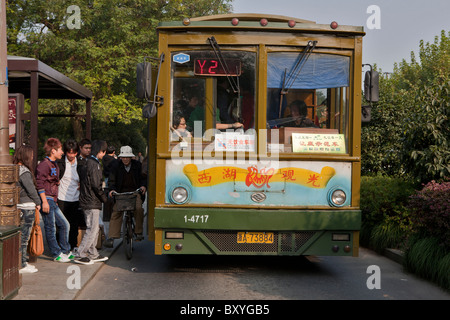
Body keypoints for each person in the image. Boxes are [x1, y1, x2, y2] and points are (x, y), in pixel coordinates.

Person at [36, 138, 72, 263]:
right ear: (53, 150)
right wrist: (44, 201)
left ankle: (65, 251)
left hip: (52, 200)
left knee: (64, 224)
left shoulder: (54, 164)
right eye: (60, 149)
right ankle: (57, 253)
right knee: (50, 227)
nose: (62, 152)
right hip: (47, 199)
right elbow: (39, 183)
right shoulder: (44, 165)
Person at [104, 146, 146, 248]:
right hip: (120, 193)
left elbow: (143, 177)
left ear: (131, 157)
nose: (125, 159)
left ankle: (138, 232)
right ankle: (112, 237)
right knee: (116, 212)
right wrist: (112, 190)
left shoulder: (137, 165)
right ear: (120, 157)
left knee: (139, 209)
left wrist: (143, 186)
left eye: (127, 157)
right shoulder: (115, 165)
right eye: (123, 157)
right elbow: (111, 180)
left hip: (135, 192)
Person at [74, 140, 109, 265]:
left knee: (94, 228)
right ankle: (80, 254)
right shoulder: (94, 164)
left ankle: (93, 254)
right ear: (101, 151)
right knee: (92, 229)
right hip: (92, 201)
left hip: (87, 200)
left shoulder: (88, 162)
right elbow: (96, 185)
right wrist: (104, 198)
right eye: (104, 152)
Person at [14, 145, 41, 273]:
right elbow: (31, 189)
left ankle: (20, 262)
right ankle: (22, 264)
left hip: (18, 206)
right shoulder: (24, 171)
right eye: (31, 155)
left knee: (20, 236)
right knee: (24, 237)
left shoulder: (14, 169)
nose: (32, 157)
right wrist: (38, 202)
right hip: (27, 206)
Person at [56, 139, 81, 250]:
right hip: (62, 197)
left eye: (74, 152)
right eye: (69, 152)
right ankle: (61, 246)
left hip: (76, 198)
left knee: (74, 224)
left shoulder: (80, 163)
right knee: (61, 224)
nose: (71, 155)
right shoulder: (60, 163)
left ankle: (73, 245)